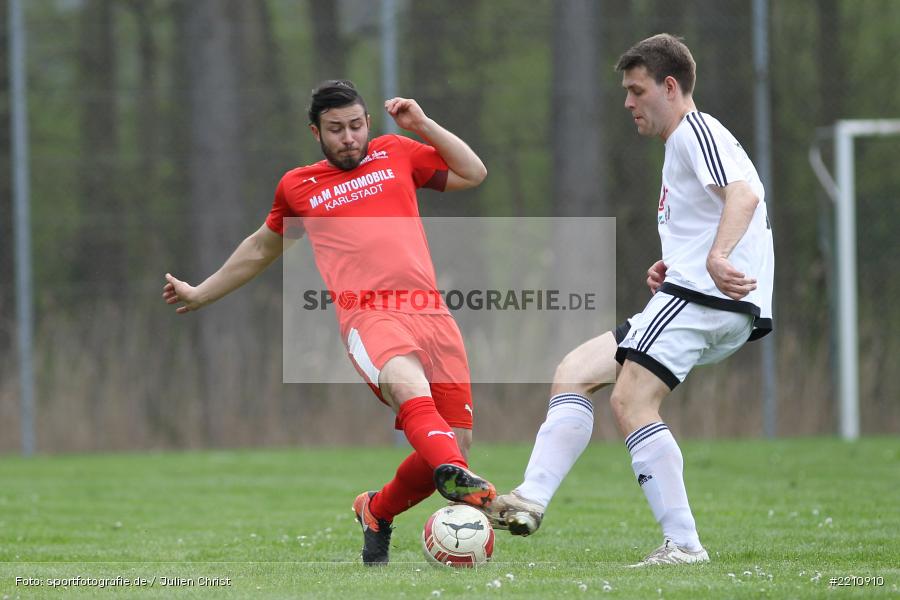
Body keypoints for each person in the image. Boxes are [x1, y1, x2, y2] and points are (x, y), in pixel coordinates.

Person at [162, 80, 497, 566]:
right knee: (412, 393)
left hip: (431, 313)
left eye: (356, 126)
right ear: (316, 133)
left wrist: (422, 125)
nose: (349, 137)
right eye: (336, 129)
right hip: (369, 314)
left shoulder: (396, 152)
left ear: (368, 123)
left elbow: (473, 172)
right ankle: (455, 474)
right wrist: (201, 292)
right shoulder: (298, 186)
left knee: (456, 439)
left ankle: (377, 510)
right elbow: (260, 248)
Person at [487, 34, 774, 567]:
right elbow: (715, 209)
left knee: (631, 401)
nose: (628, 102)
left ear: (670, 87)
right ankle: (531, 498)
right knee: (575, 372)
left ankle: (684, 544)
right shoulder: (683, 144)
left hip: (705, 296)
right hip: (699, 294)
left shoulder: (694, 131)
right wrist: (679, 261)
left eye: (637, 90)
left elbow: (745, 195)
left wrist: (715, 258)